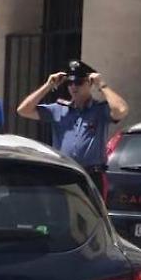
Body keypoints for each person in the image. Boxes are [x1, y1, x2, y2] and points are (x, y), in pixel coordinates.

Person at [16, 60, 129, 192]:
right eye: (70, 83)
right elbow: (23, 110)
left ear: (90, 83)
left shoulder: (100, 110)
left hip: (92, 176)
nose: (73, 87)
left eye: (79, 82)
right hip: (64, 174)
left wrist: (102, 85)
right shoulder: (58, 110)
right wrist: (48, 85)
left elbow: (121, 110)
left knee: (93, 213)